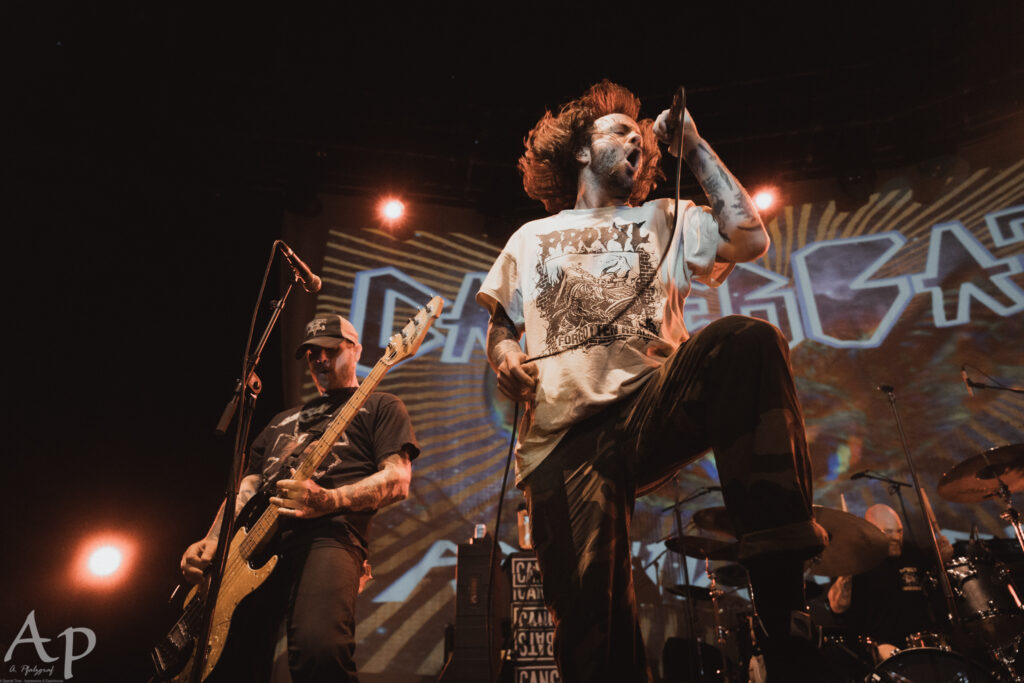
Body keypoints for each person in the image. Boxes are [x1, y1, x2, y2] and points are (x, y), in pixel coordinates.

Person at [476, 80, 828, 682]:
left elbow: (750, 237)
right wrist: (505, 355)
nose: (635, 139)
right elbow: (502, 324)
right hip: (565, 441)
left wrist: (692, 146)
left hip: (649, 405)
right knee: (593, 629)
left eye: (640, 135)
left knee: (746, 341)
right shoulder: (529, 239)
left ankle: (781, 607)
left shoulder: (668, 217)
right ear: (581, 152)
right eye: (618, 131)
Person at [180, 313, 419, 683]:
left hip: (328, 534)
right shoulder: (280, 420)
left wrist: (329, 500)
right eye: (311, 354)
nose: (320, 359)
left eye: (329, 349)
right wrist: (212, 542)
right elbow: (247, 488)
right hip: (254, 546)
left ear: (355, 350)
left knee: (318, 651)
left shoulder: (382, 405)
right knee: (223, 659)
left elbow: (398, 479)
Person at [827, 503, 953, 659]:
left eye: (899, 531)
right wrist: (848, 570)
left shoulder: (911, 552)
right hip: (879, 650)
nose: (896, 537)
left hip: (921, 643)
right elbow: (837, 606)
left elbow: (937, 587)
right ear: (870, 530)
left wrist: (942, 558)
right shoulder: (858, 560)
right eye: (888, 531)